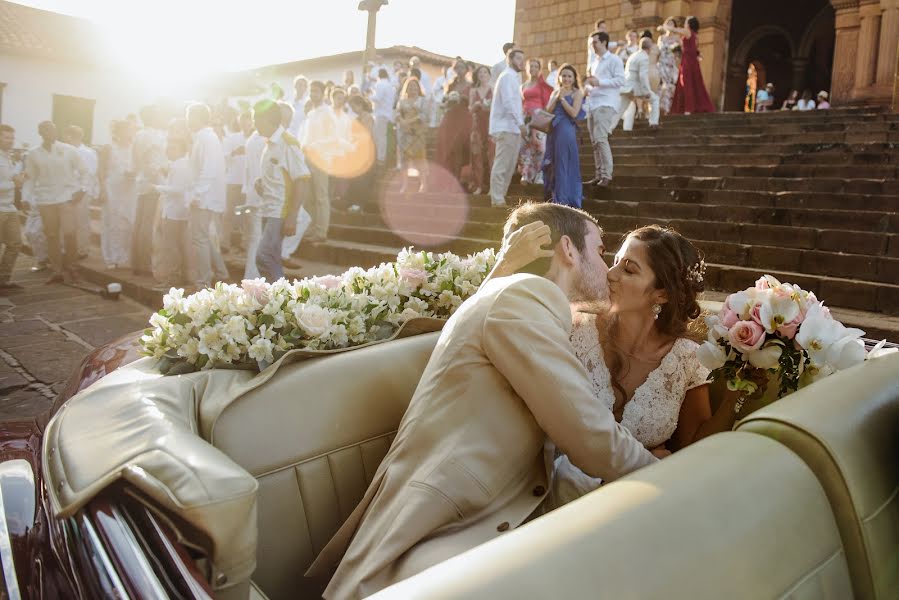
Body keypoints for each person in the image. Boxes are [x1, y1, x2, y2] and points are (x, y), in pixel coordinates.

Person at [306, 202, 660, 598]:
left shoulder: (509, 296)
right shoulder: (522, 299)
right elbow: (588, 433)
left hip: (485, 509)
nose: (606, 268)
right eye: (598, 249)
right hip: (447, 524)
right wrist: (671, 477)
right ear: (568, 248)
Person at [500, 222, 739, 508]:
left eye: (628, 269)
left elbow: (693, 448)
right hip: (541, 495)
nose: (609, 275)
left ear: (661, 294)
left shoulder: (688, 359)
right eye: (614, 262)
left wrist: (740, 388)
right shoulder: (573, 327)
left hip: (629, 510)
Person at [252, 100, 307, 282]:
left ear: (268, 119)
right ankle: (278, 304)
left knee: (264, 257)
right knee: (272, 259)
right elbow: (279, 180)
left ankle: (282, 299)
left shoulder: (288, 143)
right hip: (268, 209)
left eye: (256, 119)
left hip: (280, 212)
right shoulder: (268, 144)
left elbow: (301, 180)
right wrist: (262, 185)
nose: (254, 123)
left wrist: (292, 216)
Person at [26, 121, 84, 283]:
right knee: (51, 236)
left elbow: (85, 171)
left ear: (56, 131)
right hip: (45, 199)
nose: (50, 133)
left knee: (69, 233)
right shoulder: (33, 153)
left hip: (66, 197)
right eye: (45, 130)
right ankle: (57, 271)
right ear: (40, 133)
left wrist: (83, 189)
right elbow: (30, 178)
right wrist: (26, 197)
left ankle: (72, 267)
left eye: (52, 129)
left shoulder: (69, 150)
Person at [186, 103, 228, 289]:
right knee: (205, 237)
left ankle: (203, 281)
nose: (187, 120)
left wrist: (197, 194)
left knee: (200, 238)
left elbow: (208, 169)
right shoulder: (204, 137)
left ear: (200, 118)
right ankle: (221, 272)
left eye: (190, 116)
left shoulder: (206, 138)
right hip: (207, 195)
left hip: (205, 196)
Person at [584, 31, 624, 188]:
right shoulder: (594, 62)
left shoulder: (614, 59)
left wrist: (599, 82)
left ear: (604, 42)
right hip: (592, 103)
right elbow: (593, 83)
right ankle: (599, 175)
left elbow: (621, 80)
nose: (592, 46)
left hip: (606, 103)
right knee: (595, 142)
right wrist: (588, 88)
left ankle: (606, 175)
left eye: (595, 42)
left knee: (600, 138)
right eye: (591, 43)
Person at [488, 48, 527, 207]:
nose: (521, 62)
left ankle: (500, 196)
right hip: (507, 127)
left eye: (522, 59)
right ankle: (496, 199)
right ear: (510, 60)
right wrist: (520, 123)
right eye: (518, 58)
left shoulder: (514, 78)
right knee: (502, 164)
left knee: (510, 166)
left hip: (513, 128)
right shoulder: (507, 76)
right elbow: (508, 103)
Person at [543, 64, 585, 207]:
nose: (566, 78)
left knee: (564, 162)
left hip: (566, 130)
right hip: (554, 130)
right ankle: (557, 196)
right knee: (555, 162)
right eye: (564, 75)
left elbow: (574, 113)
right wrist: (556, 97)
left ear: (574, 79)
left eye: (569, 76)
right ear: (559, 77)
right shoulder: (555, 91)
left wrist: (562, 99)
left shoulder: (577, 93)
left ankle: (565, 198)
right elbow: (548, 110)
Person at [131, 105, 166, 275]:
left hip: (142, 180)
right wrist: (160, 174)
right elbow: (152, 161)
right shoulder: (153, 136)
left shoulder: (138, 135)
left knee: (140, 223)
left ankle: (137, 262)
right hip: (153, 181)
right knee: (147, 224)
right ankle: (144, 263)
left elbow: (136, 160)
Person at [153, 135, 192, 289]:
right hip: (179, 210)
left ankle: (174, 278)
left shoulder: (178, 165)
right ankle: (177, 276)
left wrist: (156, 187)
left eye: (173, 148)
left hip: (174, 211)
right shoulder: (181, 164)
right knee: (177, 245)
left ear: (181, 150)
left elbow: (178, 190)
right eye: (168, 147)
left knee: (171, 247)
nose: (168, 150)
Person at [98, 120, 137, 271]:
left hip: (129, 189)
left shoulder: (134, 148)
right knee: (112, 223)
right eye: (125, 130)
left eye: (130, 130)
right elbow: (101, 170)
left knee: (128, 222)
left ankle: (125, 256)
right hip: (112, 188)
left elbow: (138, 167)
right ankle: (111, 257)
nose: (128, 134)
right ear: (117, 132)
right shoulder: (108, 148)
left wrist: (134, 174)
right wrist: (102, 189)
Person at [434, 59, 473, 190]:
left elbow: (472, 101)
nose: (459, 70)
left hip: (463, 118)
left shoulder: (471, 85)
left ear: (466, 70)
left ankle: (458, 179)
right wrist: (448, 99)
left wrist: (462, 99)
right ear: (454, 70)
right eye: (457, 68)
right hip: (450, 118)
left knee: (460, 150)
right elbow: (444, 100)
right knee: (447, 148)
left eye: (462, 67)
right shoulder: (450, 84)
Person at [303, 81, 333, 244]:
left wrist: (315, 146)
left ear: (323, 93)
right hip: (308, 158)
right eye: (311, 91)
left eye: (316, 92)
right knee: (309, 197)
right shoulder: (310, 113)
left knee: (321, 196)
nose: (313, 94)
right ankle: (311, 227)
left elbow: (332, 136)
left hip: (321, 158)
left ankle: (321, 231)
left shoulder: (327, 112)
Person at [665, 16, 716, 114]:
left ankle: (688, 108)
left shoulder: (687, 32)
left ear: (688, 24)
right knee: (694, 83)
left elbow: (674, 29)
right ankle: (689, 107)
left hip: (687, 62)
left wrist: (666, 27)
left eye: (685, 22)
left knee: (686, 83)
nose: (684, 24)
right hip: (692, 62)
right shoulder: (695, 35)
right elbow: (693, 48)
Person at [61, 125, 98, 259]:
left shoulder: (88, 153)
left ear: (70, 136)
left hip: (81, 190)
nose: (64, 139)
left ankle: (82, 250)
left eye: (65, 136)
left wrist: (83, 191)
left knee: (82, 221)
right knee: (68, 222)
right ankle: (68, 248)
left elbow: (90, 173)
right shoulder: (65, 151)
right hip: (67, 190)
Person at [518, 58, 553, 185]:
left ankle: (539, 175)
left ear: (539, 69)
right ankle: (526, 174)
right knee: (525, 147)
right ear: (527, 69)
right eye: (530, 66)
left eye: (535, 66)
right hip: (525, 117)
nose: (533, 69)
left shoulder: (542, 84)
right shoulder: (523, 85)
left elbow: (548, 102)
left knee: (540, 148)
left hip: (538, 118)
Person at [222, 112, 253, 251]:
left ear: (252, 122)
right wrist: (235, 152)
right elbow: (223, 158)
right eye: (242, 120)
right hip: (233, 179)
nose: (245, 123)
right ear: (239, 122)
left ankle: (245, 244)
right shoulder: (232, 138)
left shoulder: (257, 138)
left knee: (247, 215)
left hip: (249, 181)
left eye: (247, 120)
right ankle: (224, 243)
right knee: (228, 212)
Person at [0, 124, 24, 291]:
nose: (10, 141)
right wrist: (13, 183)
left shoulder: (7, 157)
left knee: (15, 243)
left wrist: (19, 177)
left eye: (12, 138)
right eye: (6, 137)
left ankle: (3, 280)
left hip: (9, 207)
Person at [620, 37, 661, 131]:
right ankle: (653, 123)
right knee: (655, 99)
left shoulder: (633, 55)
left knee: (621, 109)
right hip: (635, 87)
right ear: (649, 48)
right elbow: (643, 76)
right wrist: (647, 90)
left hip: (627, 86)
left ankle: (609, 129)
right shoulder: (644, 57)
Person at [396, 78, 429, 193]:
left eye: (415, 86)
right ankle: (404, 184)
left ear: (419, 88)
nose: (412, 89)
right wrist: (402, 121)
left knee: (419, 159)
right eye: (410, 86)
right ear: (406, 88)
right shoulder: (401, 101)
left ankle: (423, 184)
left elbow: (424, 115)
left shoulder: (423, 100)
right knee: (404, 160)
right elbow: (397, 114)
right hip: (404, 134)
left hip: (417, 133)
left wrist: (409, 121)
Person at [468, 65, 494, 195]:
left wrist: (487, 107)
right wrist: (476, 105)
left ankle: (492, 186)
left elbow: (497, 108)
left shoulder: (493, 89)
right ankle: (478, 185)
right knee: (477, 156)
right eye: (480, 72)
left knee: (491, 156)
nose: (483, 74)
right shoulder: (473, 91)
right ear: (477, 76)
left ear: (489, 75)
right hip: (477, 125)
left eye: (485, 72)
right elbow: (470, 109)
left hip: (491, 125)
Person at [372, 69, 396, 169]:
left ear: (378, 75)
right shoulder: (390, 85)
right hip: (388, 114)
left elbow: (378, 98)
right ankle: (382, 158)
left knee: (380, 137)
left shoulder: (380, 84)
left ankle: (380, 158)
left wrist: (368, 96)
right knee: (384, 137)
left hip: (380, 114)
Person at [657, 17, 682, 115]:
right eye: (668, 23)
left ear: (674, 26)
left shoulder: (677, 38)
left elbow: (681, 53)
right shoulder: (661, 38)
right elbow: (658, 52)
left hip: (671, 66)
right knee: (659, 88)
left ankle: (668, 110)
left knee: (669, 88)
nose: (669, 25)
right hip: (661, 65)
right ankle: (659, 110)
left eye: (671, 24)